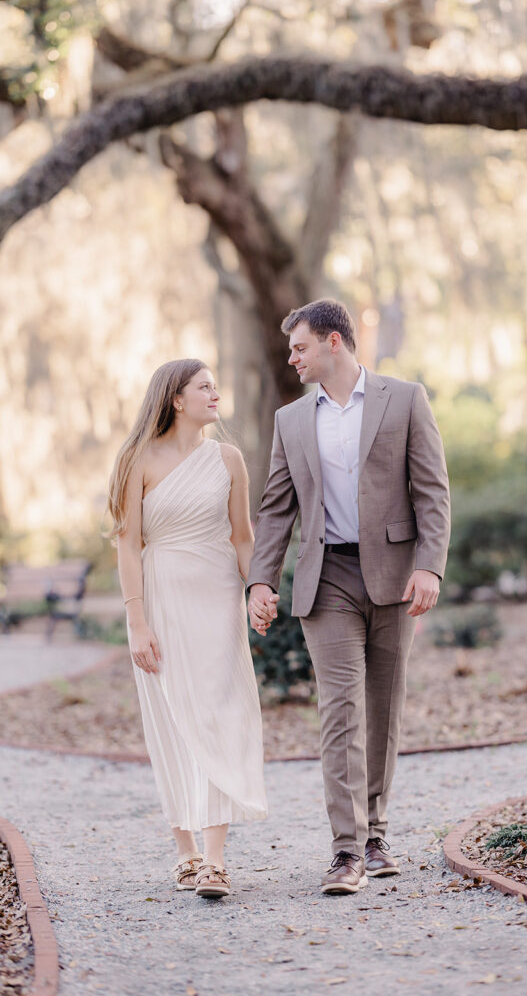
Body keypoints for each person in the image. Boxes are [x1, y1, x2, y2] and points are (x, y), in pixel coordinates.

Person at [247, 299, 450, 895]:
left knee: (383, 708)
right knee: (341, 710)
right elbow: (277, 507)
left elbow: (433, 492)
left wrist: (429, 567)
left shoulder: (405, 398)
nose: (292, 358)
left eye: (300, 347)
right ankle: (345, 851)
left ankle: (376, 833)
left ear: (334, 342)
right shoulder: (291, 420)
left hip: (392, 577)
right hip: (326, 578)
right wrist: (261, 579)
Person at [107, 359, 267, 900]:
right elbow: (128, 543)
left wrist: (260, 589)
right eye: (204, 386)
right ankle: (185, 852)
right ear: (176, 398)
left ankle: (216, 861)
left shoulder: (228, 459)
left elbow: (243, 537)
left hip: (219, 596)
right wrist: (136, 621)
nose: (214, 393)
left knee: (221, 713)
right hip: (162, 597)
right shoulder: (138, 459)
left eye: (214, 385)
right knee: (173, 718)